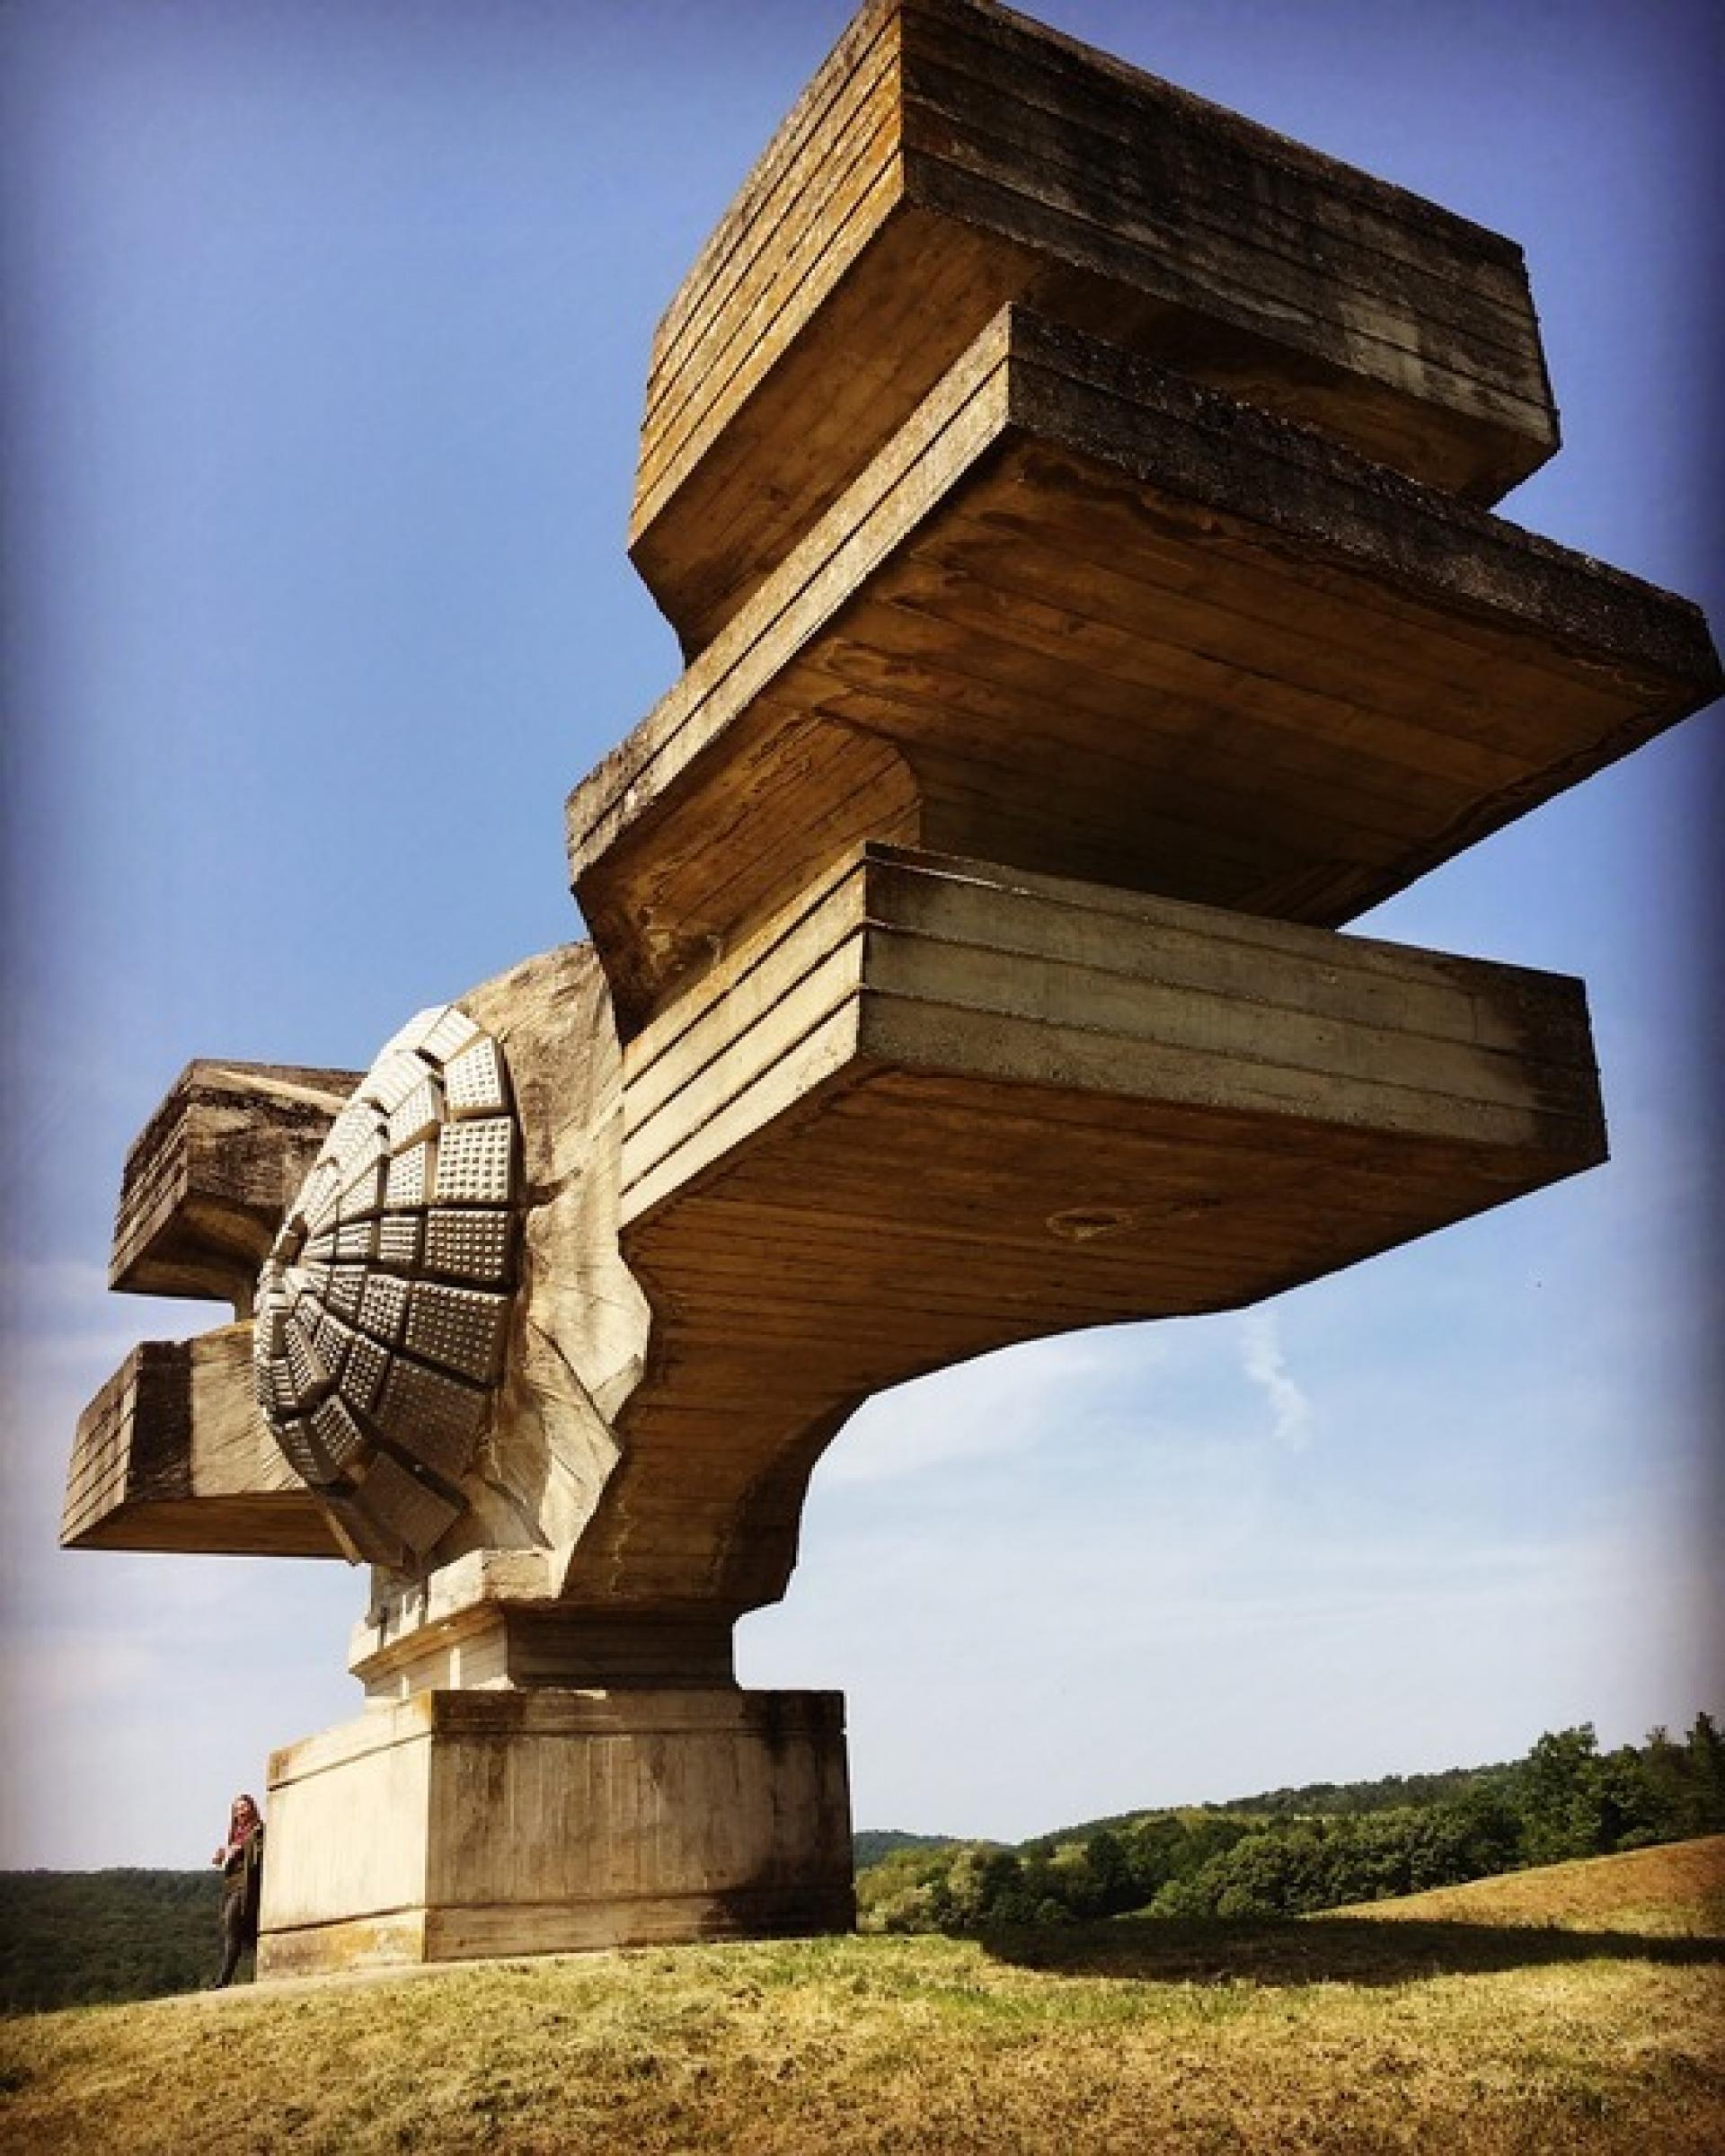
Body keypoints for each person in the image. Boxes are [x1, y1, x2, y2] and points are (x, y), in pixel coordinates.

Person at [210, 1793, 265, 1987]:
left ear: (251, 1809)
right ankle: (226, 1979)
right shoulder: (235, 1834)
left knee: (231, 1925)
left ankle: (222, 1980)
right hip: (233, 1887)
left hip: (247, 1887)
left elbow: (259, 1852)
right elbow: (227, 1860)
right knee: (240, 1933)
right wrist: (221, 1857)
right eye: (237, 1809)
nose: (241, 1811)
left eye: (244, 1807)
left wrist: (240, 1849)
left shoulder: (258, 1829)